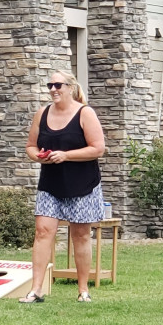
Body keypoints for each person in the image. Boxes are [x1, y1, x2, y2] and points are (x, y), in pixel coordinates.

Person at [19, 70, 105, 303]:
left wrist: (66, 155)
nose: (53, 89)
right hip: (50, 184)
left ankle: (83, 290)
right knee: (43, 232)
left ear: (71, 87)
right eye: (50, 85)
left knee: (80, 235)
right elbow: (30, 145)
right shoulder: (42, 114)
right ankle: (36, 290)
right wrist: (38, 156)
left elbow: (98, 148)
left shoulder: (85, 113)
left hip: (83, 184)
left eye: (58, 85)